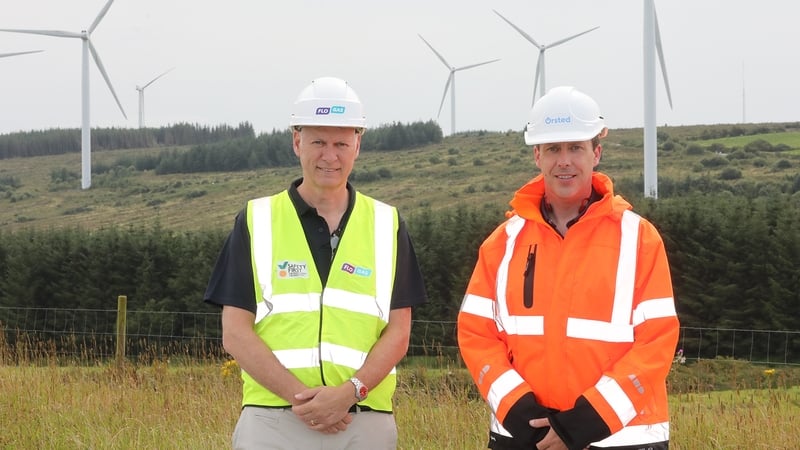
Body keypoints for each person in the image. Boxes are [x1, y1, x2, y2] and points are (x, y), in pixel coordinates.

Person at [204, 76, 427, 450]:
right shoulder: (256, 219)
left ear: (358, 144)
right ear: (297, 142)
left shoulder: (388, 223)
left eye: (341, 143)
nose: (330, 155)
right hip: (273, 420)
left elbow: (399, 332)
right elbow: (235, 333)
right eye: (318, 141)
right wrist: (303, 399)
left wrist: (349, 393)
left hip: (362, 421)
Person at [457, 86, 680, 450]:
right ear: (537, 156)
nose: (564, 161)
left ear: (596, 154)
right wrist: (519, 411)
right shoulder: (503, 242)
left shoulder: (639, 239)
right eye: (553, 149)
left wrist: (584, 423)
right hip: (523, 436)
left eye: (575, 148)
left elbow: (656, 340)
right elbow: (476, 334)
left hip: (621, 438)